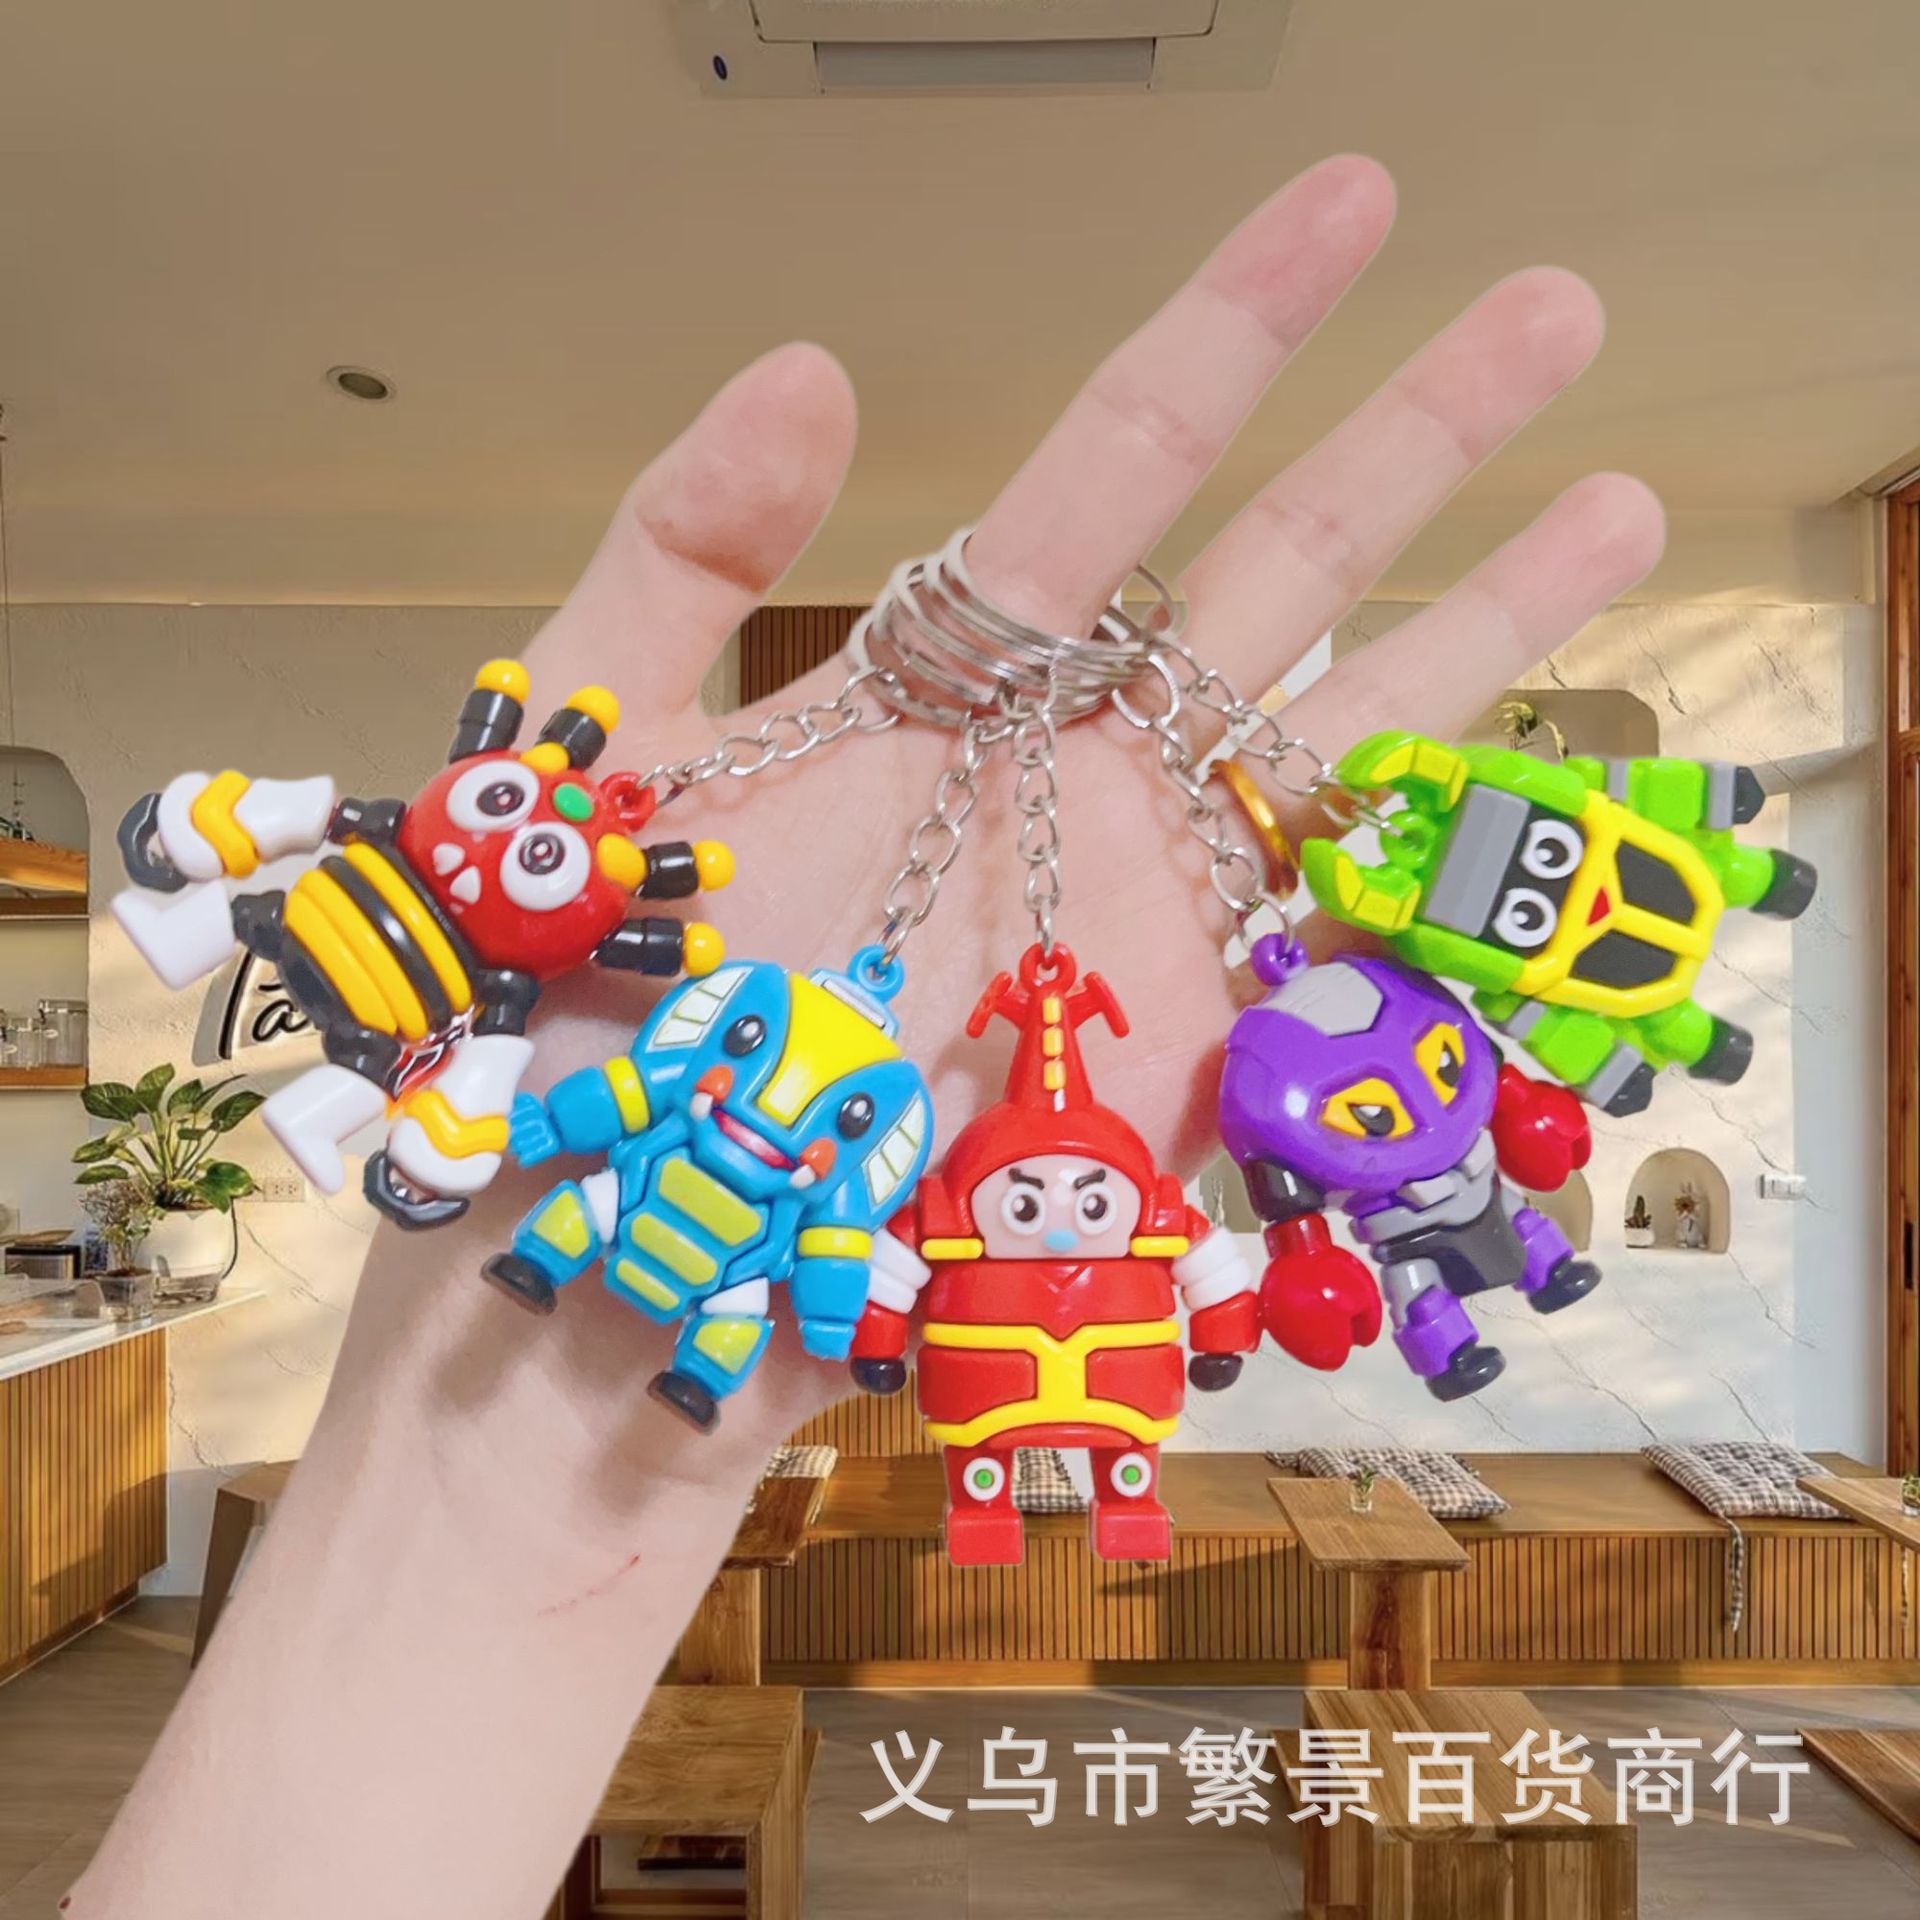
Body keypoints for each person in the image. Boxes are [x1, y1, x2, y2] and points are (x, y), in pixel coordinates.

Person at [70, 155, 1663, 1918]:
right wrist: (512, 1428)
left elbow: (914, 1216)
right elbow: (710, 1139)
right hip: (636, 1166)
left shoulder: (946, 1149)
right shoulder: (764, 1062)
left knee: (646, 1221)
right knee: (597, 1207)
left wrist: (1174, 1293)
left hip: (917, 1286)